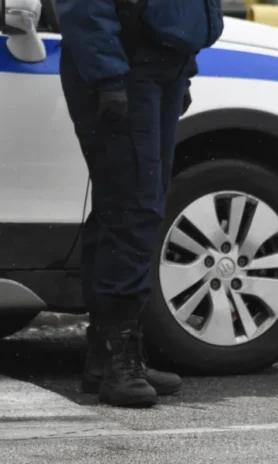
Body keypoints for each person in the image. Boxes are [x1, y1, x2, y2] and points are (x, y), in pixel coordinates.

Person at [56, 0, 203, 408]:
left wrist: (184, 65)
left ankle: (106, 358)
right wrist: (108, 77)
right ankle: (120, 361)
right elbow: (85, 5)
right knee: (132, 210)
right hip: (123, 67)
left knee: (127, 208)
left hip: (159, 67)